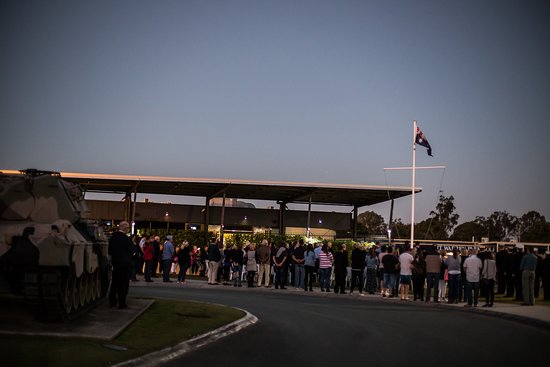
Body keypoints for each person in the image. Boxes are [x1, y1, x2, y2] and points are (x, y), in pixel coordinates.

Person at [108, 221, 134, 309]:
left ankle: (112, 301)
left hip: (116, 263)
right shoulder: (126, 239)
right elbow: (132, 250)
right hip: (125, 264)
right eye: (128, 228)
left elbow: (110, 250)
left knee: (115, 283)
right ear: (125, 228)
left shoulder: (113, 237)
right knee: (123, 284)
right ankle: (121, 302)